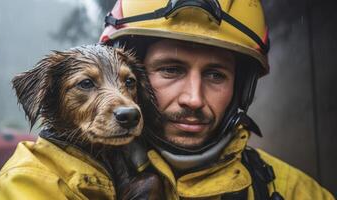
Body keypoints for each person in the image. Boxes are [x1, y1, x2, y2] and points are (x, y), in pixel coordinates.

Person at [99, 0, 335, 199]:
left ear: (242, 89)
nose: (194, 99)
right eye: (171, 70)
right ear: (125, 78)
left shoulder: (295, 191)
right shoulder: (75, 181)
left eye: (215, 75)